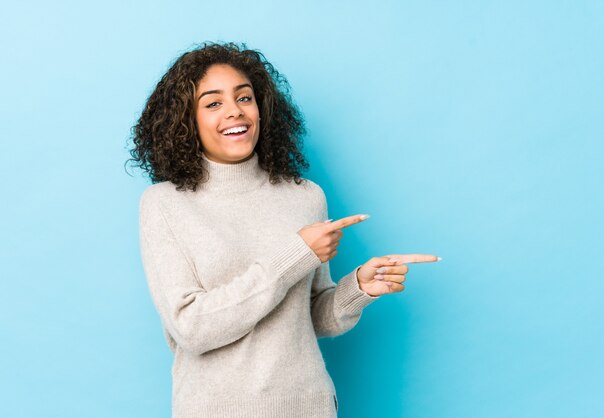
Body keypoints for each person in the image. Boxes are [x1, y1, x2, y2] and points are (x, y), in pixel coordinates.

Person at [128, 42, 440, 418]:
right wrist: (295, 254)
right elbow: (192, 329)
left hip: (307, 405)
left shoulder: (304, 197)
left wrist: (358, 288)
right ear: (186, 120)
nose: (234, 111)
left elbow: (312, 317)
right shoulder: (164, 204)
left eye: (245, 97)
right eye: (213, 103)